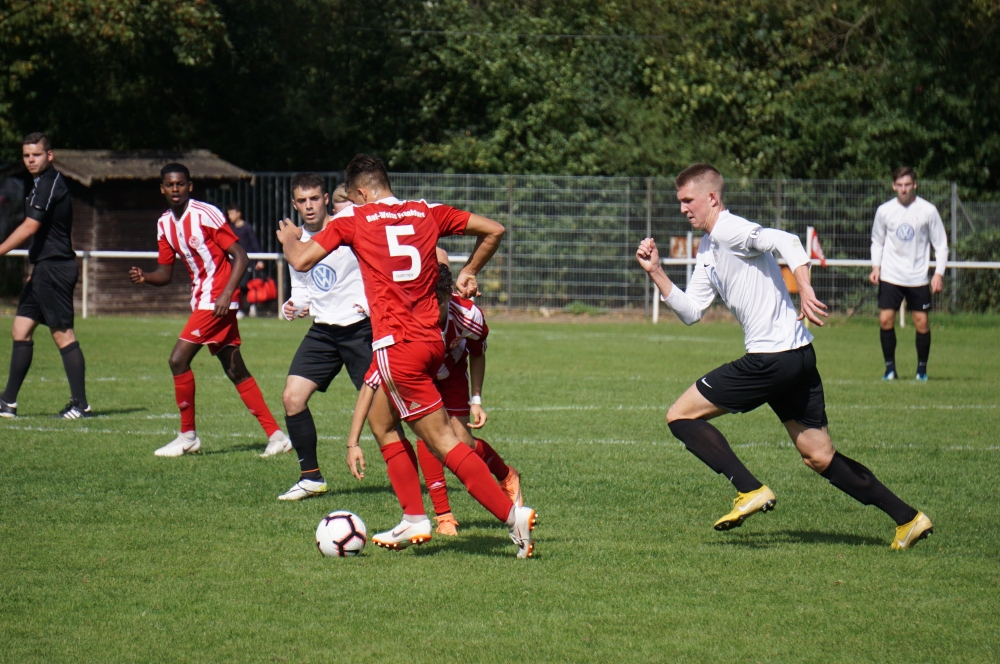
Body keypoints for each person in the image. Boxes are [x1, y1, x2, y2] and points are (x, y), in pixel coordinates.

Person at [635, 163, 933, 550]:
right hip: (797, 356)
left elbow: (789, 241)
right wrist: (657, 271)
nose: (682, 209)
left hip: (770, 359)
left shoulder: (728, 229)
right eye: (679, 202)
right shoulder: (708, 247)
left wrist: (805, 289)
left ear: (712, 198)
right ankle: (908, 518)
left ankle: (749, 489)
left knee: (679, 415)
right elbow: (692, 311)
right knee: (819, 456)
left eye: (688, 200)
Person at [278, 154, 536, 558]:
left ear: (361, 192)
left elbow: (300, 260)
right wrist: (470, 270)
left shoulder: (354, 220)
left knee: (444, 443)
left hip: (396, 347)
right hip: (430, 341)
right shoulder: (425, 210)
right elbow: (494, 230)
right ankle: (414, 517)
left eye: (353, 197)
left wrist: (289, 238)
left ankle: (511, 516)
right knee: (382, 425)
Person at [344, 259, 523, 537]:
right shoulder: (404, 326)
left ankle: (507, 476)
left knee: (461, 442)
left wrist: (476, 399)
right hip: (418, 375)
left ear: (446, 299)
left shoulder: (468, 315)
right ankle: (444, 516)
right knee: (428, 436)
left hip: (450, 375)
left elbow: (477, 351)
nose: (429, 310)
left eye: (435, 304)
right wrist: (352, 441)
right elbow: (371, 381)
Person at [129, 163, 290, 457]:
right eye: (169, 185)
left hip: (217, 299)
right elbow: (164, 274)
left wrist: (227, 293)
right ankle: (277, 435)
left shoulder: (206, 214)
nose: (175, 189)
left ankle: (188, 435)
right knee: (234, 368)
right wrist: (146, 277)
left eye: (180, 184)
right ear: (162, 189)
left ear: (190, 186)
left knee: (178, 359)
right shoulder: (164, 224)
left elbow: (241, 255)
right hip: (203, 299)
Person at [277, 176, 373, 499]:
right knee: (292, 397)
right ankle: (311, 478)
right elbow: (303, 288)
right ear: (294, 204)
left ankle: (425, 479)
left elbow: (376, 264)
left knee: (383, 413)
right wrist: (294, 304)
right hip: (324, 332)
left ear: (326, 199)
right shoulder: (297, 242)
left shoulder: (348, 226)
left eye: (314, 199)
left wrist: (371, 301)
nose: (308, 206)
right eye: (302, 201)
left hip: (360, 329)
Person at [0, 132, 91, 419]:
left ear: (49, 155)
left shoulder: (50, 183)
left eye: (36, 154)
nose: (30, 160)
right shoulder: (37, 184)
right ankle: (7, 403)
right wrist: (34, 269)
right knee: (20, 331)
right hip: (43, 269)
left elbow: (30, 227)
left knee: (63, 335)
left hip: (56, 268)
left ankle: (81, 405)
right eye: (26, 155)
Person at [869, 166, 948, 381]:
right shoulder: (885, 211)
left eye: (907, 185)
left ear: (915, 185)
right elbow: (877, 240)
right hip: (891, 274)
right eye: (900, 185)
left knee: (921, 322)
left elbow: (940, 244)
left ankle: (921, 370)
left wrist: (938, 273)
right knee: (885, 320)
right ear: (894, 186)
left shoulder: (928, 210)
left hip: (918, 276)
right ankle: (890, 369)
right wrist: (876, 266)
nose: (903, 189)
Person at [225, 203, 266, 319]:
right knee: (236, 285)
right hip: (234, 262)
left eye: (232, 213)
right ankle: (240, 309)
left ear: (239, 214)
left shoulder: (247, 227)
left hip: (248, 262)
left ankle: (252, 306)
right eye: (229, 214)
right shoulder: (230, 228)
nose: (230, 216)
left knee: (245, 285)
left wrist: (260, 260)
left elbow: (255, 244)